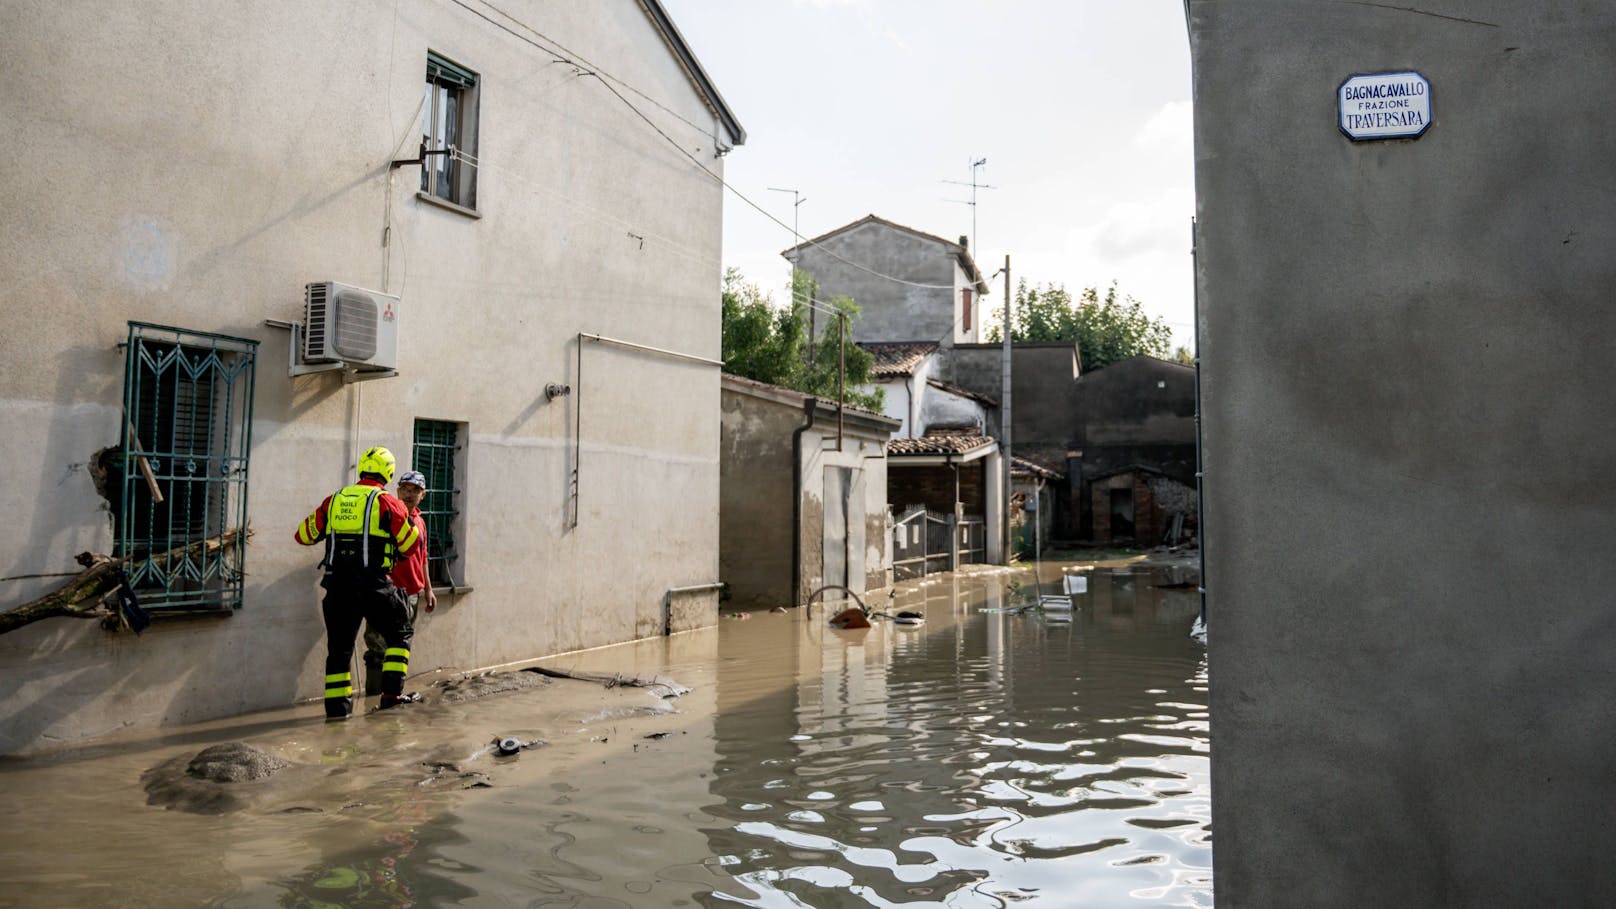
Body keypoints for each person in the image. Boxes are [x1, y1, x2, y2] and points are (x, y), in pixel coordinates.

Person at [294, 446, 422, 718]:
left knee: (339, 650)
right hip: (374, 586)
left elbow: (303, 536)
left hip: (337, 588)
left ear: (362, 467)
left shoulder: (334, 500)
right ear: (388, 472)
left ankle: (337, 714)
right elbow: (410, 546)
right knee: (400, 635)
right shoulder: (387, 502)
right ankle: (391, 699)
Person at [363, 470, 436, 696]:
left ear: (422, 495)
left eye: (414, 490)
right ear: (397, 491)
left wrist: (428, 590)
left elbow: (423, 557)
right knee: (377, 647)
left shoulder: (420, 522)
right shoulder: (389, 516)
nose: (408, 494)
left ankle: (392, 698)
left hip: (412, 593)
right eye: (404, 489)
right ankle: (374, 695)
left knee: (400, 648)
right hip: (387, 591)